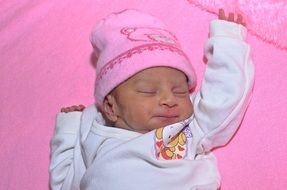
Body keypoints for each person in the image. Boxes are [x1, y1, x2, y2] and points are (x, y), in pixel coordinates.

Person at [49, 9, 254, 190]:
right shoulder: (93, 134)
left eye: (180, 91)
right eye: (148, 91)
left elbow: (223, 99)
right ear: (111, 107)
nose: (168, 99)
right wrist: (69, 129)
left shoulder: (185, 130)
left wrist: (228, 45)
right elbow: (65, 183)